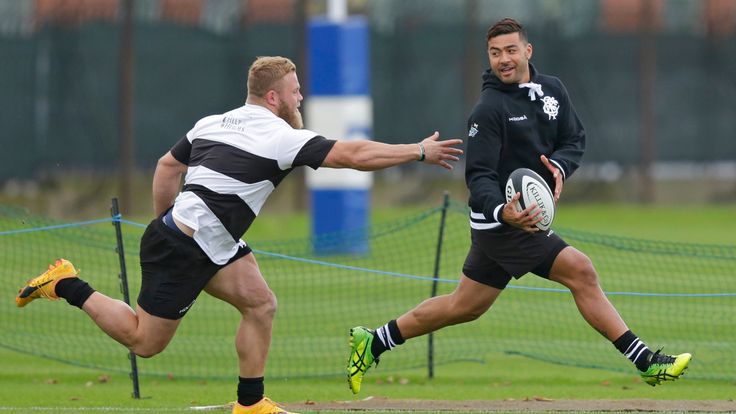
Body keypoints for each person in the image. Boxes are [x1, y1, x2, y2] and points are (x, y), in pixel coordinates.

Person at [15, 56, 463, 414]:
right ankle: (66, 282)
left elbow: (167, 166)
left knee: (261, 303)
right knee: (144, 342)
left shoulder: (213, 122)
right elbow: (353, 154)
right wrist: (418, 151)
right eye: (295, 90)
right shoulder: (281, 136)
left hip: (212, 242)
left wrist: (166, 218)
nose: (300, 96)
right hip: (186, 247)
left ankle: (250, 403)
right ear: (274, 97)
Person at [347, 18, 691, 395]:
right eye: (495, 53)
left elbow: (573, 138)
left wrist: (559, 166)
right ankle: (646, 363)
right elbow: (478, 177)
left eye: (511, 50)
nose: (503, 60)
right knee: (581, 270)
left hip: (520, 220)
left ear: (528, 51)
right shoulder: (488, 110)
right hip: (503, 224)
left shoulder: (551, 89)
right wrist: (502, 212)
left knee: (465, 305)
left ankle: (375, 340)